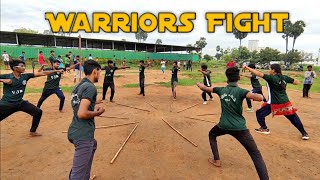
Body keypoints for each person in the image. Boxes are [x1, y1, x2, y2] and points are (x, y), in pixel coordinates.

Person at [196, 67, 269, 180]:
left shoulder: (220, 90)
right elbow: (258, 97)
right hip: (240, 129)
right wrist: (258, 97)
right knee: (255, 154)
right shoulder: (241, 91)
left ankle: (217, 160)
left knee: (212, 135)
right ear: (239, 78)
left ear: (227, 78)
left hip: (223, 126)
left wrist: (199, 84)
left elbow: (205, 88)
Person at [245, 64, 309, 140]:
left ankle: (264, 128)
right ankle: (304, 133)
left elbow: (258, 73)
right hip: (285, 103)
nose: (269, 70)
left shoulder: (271, 78)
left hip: (274, 103)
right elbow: (296, 82)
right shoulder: (284, 77)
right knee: (294, 118)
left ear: (273, 70)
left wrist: (247, 67)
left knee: (259, 113)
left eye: (270, 69)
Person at [0, 59, 63, 136]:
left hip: (20, 103)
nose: (24, 67)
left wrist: (56, 71)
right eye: (22, 66)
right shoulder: (7, 76)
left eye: (24, 66)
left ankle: (32, 132)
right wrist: (3, 80)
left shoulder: (25, 76)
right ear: (15, 68)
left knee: (38, 112)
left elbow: (43, 73)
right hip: (7, 104)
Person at [68, 60, 105, 180]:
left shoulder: (79, 85)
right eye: (99, 72)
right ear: (95, 71)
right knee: (77, 176)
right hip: (83, 134)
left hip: (74, 130)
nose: (99, 75)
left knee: (93, 145)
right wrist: (97, 113)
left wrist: (93, 102)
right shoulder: (90, 88)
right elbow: (82, 113)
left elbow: (80, 104)